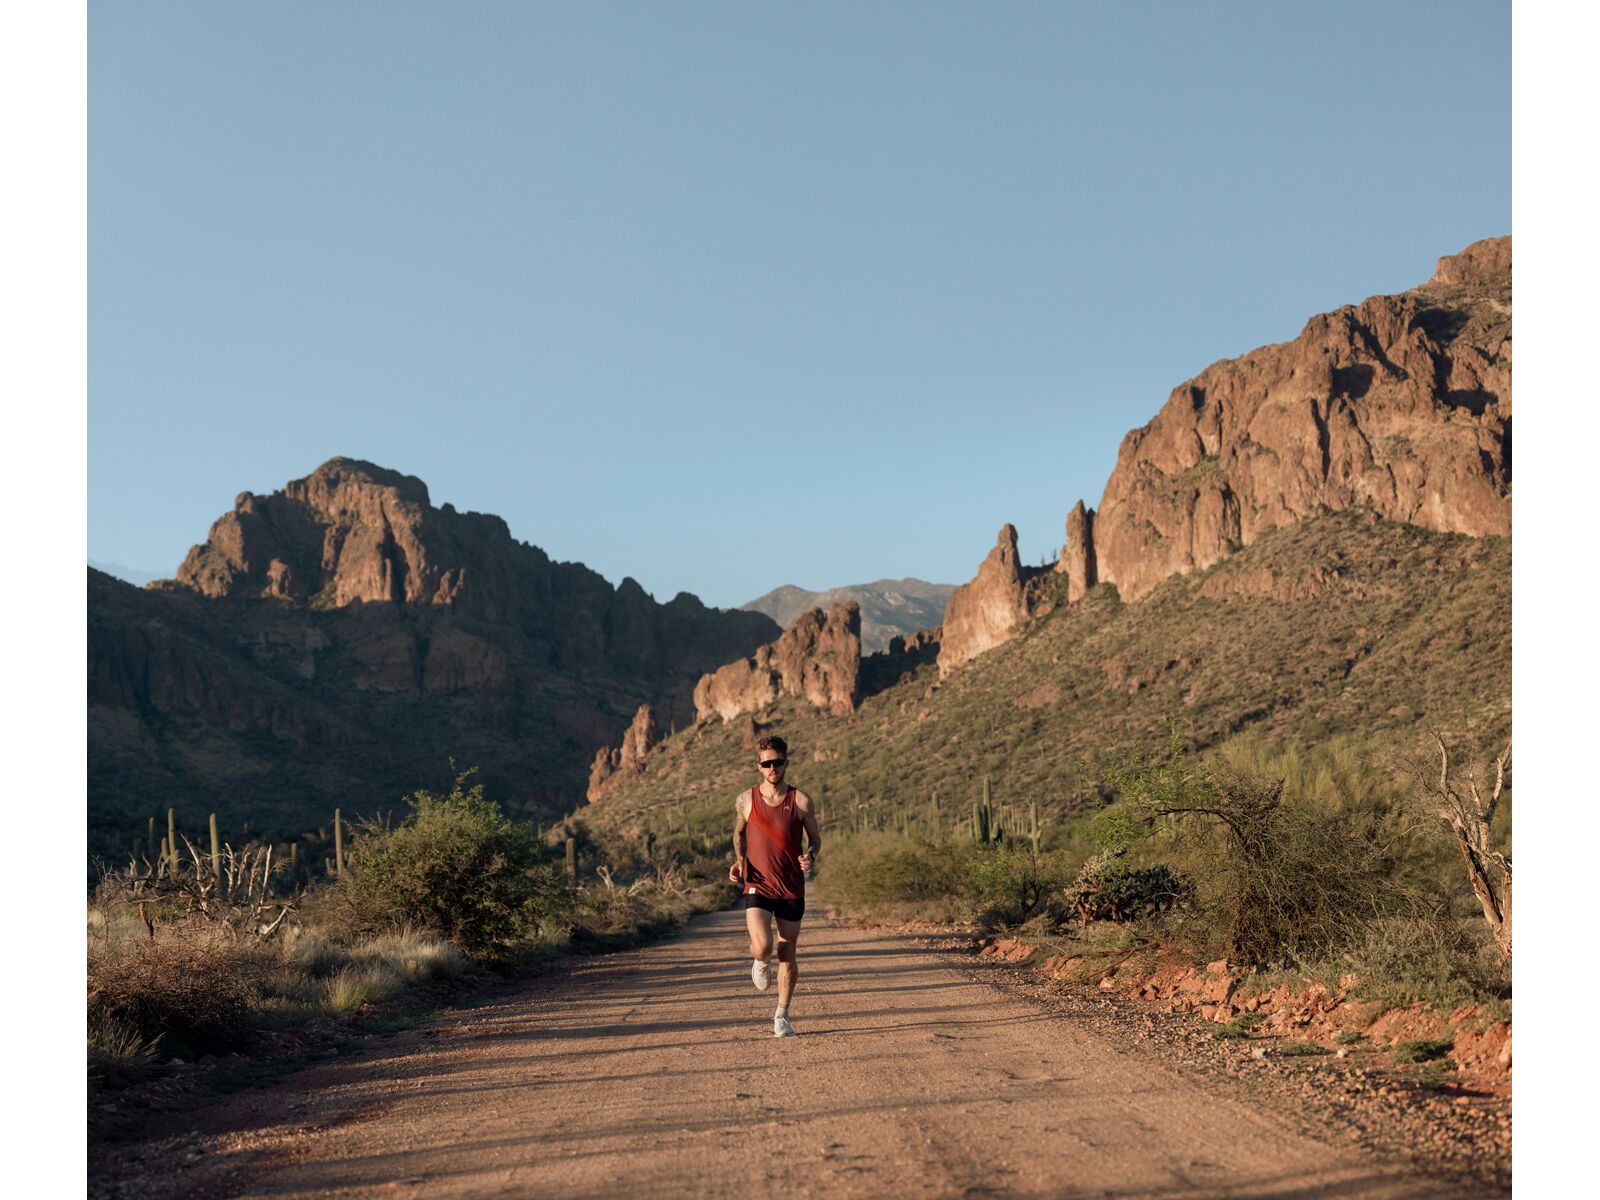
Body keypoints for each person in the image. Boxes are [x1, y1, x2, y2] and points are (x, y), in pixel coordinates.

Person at [728, 734, 821, 1037]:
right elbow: (738, 834)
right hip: (757, 883)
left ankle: (782, 1015)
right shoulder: (746, 799)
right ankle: (758, 960)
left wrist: (810, 855)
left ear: (786, 763)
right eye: (766, 764)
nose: (772, 768)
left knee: (787, 952)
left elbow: (815, 839)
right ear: (759, 766)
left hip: (791, 887)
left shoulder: (802, 800)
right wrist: (740, 860)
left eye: (777, 762)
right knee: (764, 946)